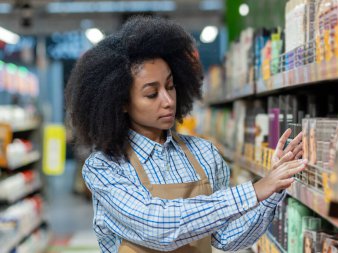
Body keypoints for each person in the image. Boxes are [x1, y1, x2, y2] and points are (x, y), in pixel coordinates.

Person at [65, 15, 305, 253]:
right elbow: (158, 227)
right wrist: (253, 191)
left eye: (170, 86)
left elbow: (227, 238)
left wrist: (274, 187)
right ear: (121, 102)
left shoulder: (203, 153)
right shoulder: (104, 167)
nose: (168, 101)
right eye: (151, 94)